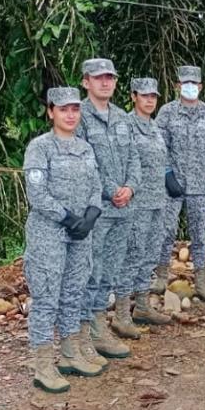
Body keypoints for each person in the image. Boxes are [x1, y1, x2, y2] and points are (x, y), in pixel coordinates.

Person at [23, 87, 104, 393]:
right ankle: (43, 365)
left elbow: (96, 185)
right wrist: (68, 218)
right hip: (50, 234)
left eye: (75, 109)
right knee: (47, 297)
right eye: (63, 109)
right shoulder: (40, 147)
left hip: (81, 232)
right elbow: (37, 194)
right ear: (51, 112)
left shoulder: (85, 148)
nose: (70, 115)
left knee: (74, 291)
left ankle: (70, 353)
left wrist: (91, 216)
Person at [76, 58, 140, 363]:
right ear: (86, 82)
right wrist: (110, 190)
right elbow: (83, 162)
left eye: (110, 78)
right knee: (92, 270)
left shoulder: (122, 118)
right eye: (99, 78)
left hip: (123, 208)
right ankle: (88, 331)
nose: (106, 82)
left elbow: (135, 159)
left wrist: (130, 187)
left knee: (110, 271)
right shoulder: (80, 117)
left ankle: (99, 326)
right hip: (97, 210)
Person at [155, 65, 205, 303]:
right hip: (172, 184)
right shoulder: (166, 113)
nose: (190, 87)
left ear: (201, 86)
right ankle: (160, 277)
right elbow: (159, 147)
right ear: (177, 86)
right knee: (165, 231)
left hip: (200, 185)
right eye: (185, 83)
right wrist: (166, 174)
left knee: (200, 234)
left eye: (194, 83)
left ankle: (201, 282)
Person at [124, 78, 173, 328]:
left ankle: (142, 306)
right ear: (134, 97)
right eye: (144, 96)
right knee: (133, 254)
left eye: (153, 95)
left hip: (157, 200)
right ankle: (122, 312)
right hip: (136, 202)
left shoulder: (154, 127)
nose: (150, 100)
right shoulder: (126, 126)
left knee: (150, 253)